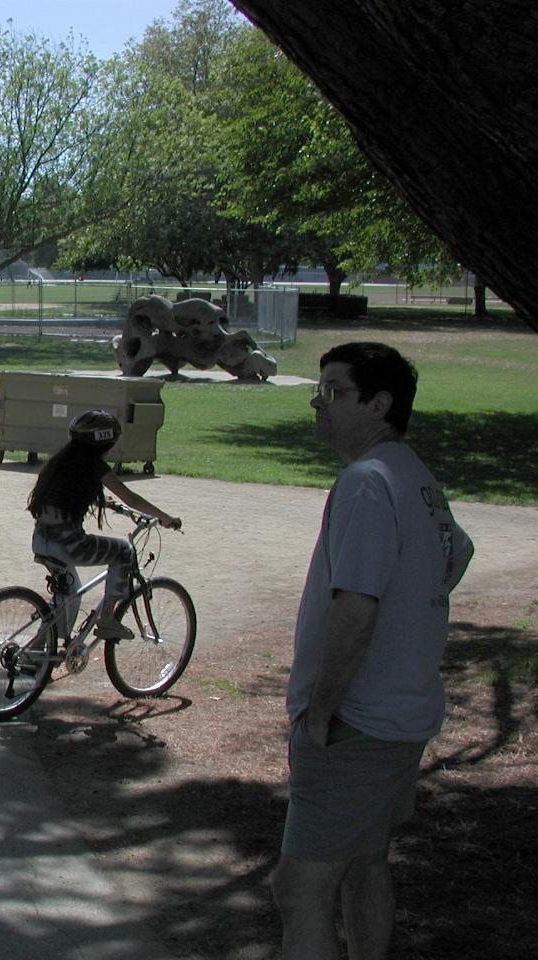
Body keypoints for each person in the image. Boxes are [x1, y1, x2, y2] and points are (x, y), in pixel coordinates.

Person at [272, 342, 474, 960]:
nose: (318, 402)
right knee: (364, 861)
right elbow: (457, 553)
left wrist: (321, 713)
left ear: (379, 404)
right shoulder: (412, 474)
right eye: (320, 390)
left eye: (334, 391)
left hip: (355, 723)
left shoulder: (365, 482)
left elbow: (355, 610)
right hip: (402, 712)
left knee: (300, 888)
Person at [27, 409, 182, 639]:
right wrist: (165, 517)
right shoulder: (94, 466)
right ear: (104, 444)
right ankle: (107, 618)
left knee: (69, 593)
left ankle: (37, 654)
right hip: (68, 544)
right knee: (124, 552)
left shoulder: (59, 462)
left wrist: (103, 502)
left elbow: (67, 495)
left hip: (41, 539)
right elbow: (131, 498)